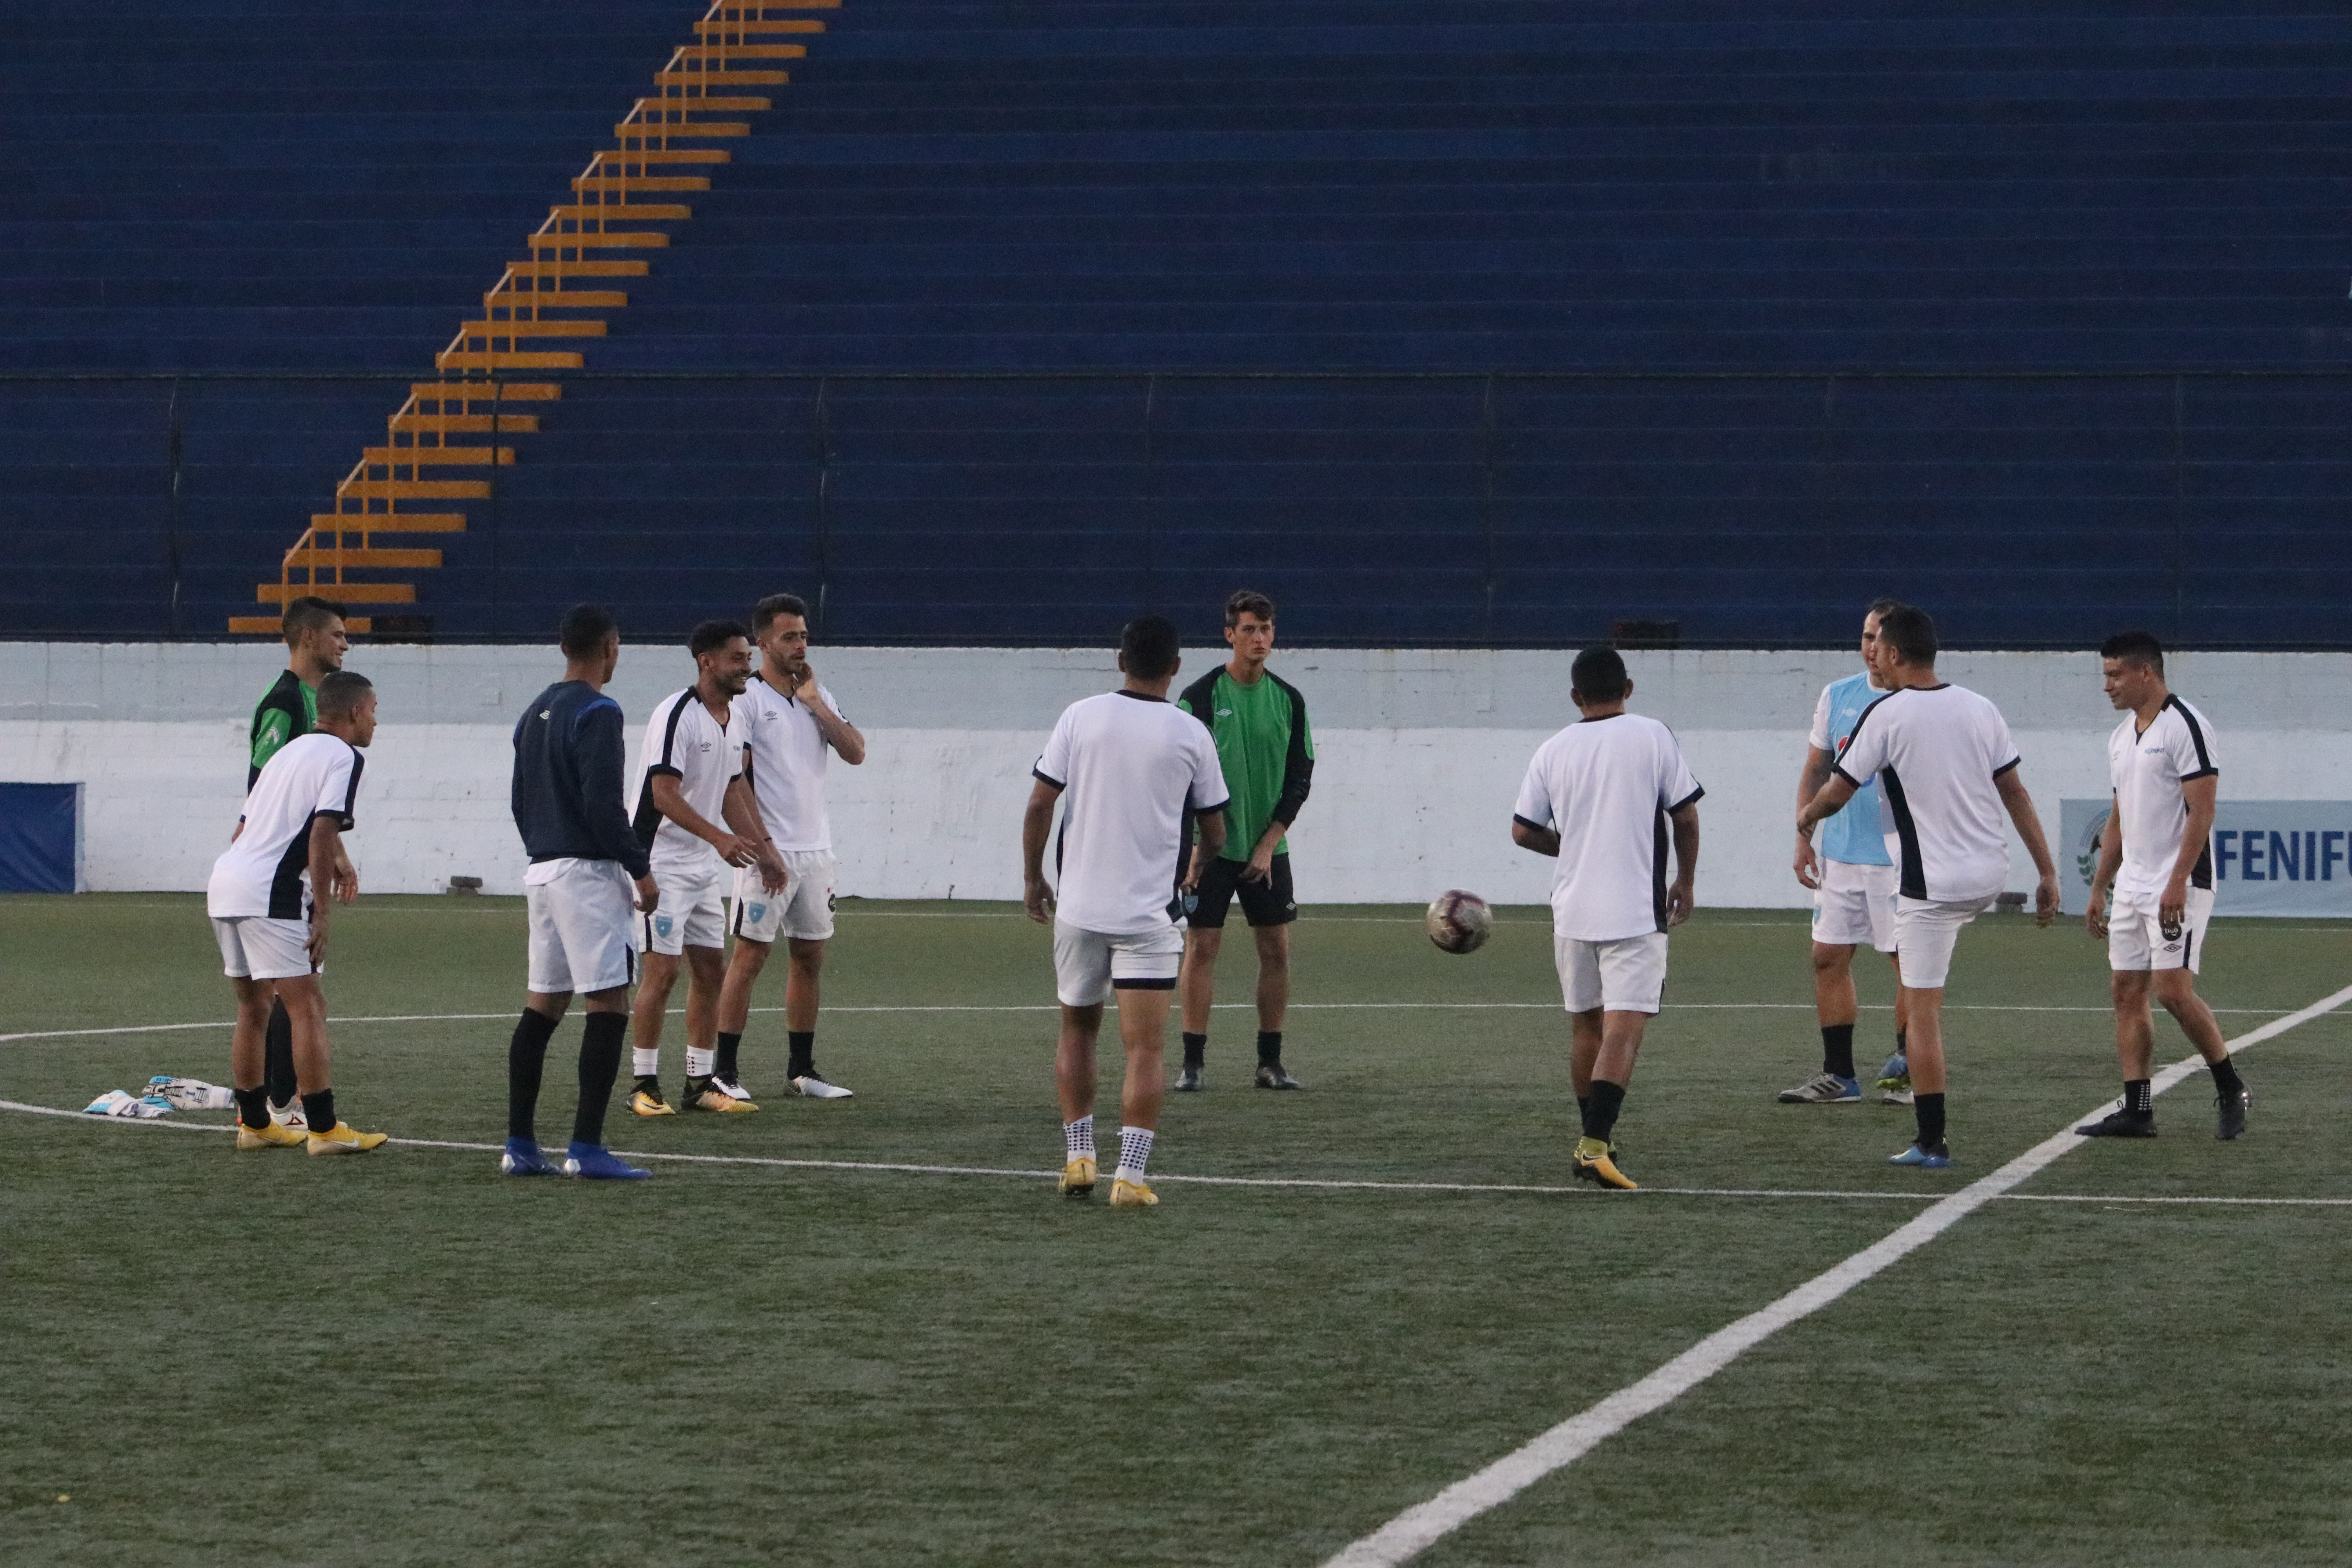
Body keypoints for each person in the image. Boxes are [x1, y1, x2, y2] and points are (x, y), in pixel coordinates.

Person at [1797, 604, 2060, 1169]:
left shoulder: (1887, 715)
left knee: (1923, 1011)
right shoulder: (1980, 708)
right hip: (1988, 874)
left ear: (1893, 654)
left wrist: (1805, 819)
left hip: (1931, 886)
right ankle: (1890, 1076)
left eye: (1879, 648)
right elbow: (2015, 792)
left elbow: (1837, 790)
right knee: (1915, 991)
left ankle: (1931, 1139)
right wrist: (2047, 871)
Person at [1022, 615, 1229, 1208]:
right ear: (1176, 669)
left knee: (1077, 1030)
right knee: (1144, 1048)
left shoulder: (1080, 716)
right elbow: (1216, 827)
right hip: (1147, 916)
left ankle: (1078, 1159)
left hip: (1080, 909)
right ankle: (1130, 1177)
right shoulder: (1191, 733)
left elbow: (1040, 804)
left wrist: (1033, 877)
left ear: (1120, 661)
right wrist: (1198, 862)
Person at [1510, 646, 1702, 1191]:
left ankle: (1593, 1136)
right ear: (1629, 688)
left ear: (1576, 697)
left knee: (1586, 1026)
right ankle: (1595, 1145)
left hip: (1571, 909)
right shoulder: (1652, 735)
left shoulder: (1552, 750)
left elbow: (1523, 831)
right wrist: (1685, 880)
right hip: (1634, 911)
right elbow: (1684, 815)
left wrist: (1573, 848)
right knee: (1624, 1031)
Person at [503, 604, 662, 1180]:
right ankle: (587, 1147)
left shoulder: (533, 712)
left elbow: (519, 800)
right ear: (610, 648)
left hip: (542, 871)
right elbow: (603, 805)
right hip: (587, 876)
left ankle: (520, 1143)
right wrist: (639, 868)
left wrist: (544, 845)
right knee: (609, 1002)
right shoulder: (599, 710)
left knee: (543, 1005)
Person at [205, 668, 387, 1155]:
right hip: (273, 889)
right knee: (307, 1005)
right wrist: (322, 911)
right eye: (373, 711)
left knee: (254, 1005)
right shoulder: (344, 756)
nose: (375, 722)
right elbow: (323, 831)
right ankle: (325, 1131)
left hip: (227, 879)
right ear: (354, 711)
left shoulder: (288, 751)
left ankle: (255, 1123)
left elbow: (249, 822)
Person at [2079, 631, 2248, 1139]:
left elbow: (2203, 810)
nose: (2106, 686)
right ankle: (2140, 1109)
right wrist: (2099, 887)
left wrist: (2177, 882)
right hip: (2132, 884)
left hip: (2179, 882)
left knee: (2173, 991)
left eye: (2114, 675)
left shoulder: (2186, 726)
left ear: (2145, 673)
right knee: (2126, 991)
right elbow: (2118, 818)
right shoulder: (2120, 737)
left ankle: (2230, 1084)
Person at [714, 593, 867, 1102]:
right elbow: (739, 780)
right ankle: (725, 1072)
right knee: (750, 957)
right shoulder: (749, 700)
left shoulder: (816, 695)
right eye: (789, 637)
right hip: (769, 852)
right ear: (763, 644)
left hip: (817, 852)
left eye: (803, 635)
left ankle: (802, 1071)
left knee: (809, 958)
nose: (800, 645)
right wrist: (764, 848)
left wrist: (818, 705)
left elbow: (856, 752)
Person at [1174, 589, 1314, 1091]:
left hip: (1267, 850)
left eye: (1268, 628)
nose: (1261, 638)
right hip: (1208, 850)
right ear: (1229, 635)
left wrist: (1268, 841)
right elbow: (1180, 778)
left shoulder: (1289, 700)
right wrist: (1195, 849)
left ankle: (1269, 1064)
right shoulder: (1201, 697)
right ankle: (1193, 1065)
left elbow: (1300, 778)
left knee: (1276, 949)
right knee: (1201, 947)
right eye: (1250, 629)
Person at [626, 620, 764, 1116]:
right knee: (661, 972)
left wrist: (763, 849)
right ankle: (643, 1084)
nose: (747, 666)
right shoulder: (676, 713)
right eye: (737, 658)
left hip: (701, 864)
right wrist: (721, 838)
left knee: (710, 970)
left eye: (748, 657)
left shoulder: (735, 716)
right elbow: (663, 795)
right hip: (658, 861)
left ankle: (699, 1081)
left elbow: (730, 788)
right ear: (706, 661)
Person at [1782, 599, 1913, 1105]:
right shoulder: (1837, 695)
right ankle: (1840, 1075)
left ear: (1898, 646)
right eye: (1864, 637)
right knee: (1827, 958)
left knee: (1908, 966)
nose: (1869, 649)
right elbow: (1816, 770)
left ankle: (1906, 1069)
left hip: (1898, 859)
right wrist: (1804, 836)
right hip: (1839, 855)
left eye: (1877, 639)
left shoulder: (1918, 701)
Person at [243, 594, 352, 1131]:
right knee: (290, 991)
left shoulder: (311, 700)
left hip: (293, 863)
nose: (345, 645)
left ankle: (272, 1105)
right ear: (309, 638)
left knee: (281, 993)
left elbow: (313, 801)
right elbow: (265, 786)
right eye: (337, 634)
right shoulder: (285, 702)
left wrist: (339, 855)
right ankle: (283, 1106)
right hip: (277, 869)